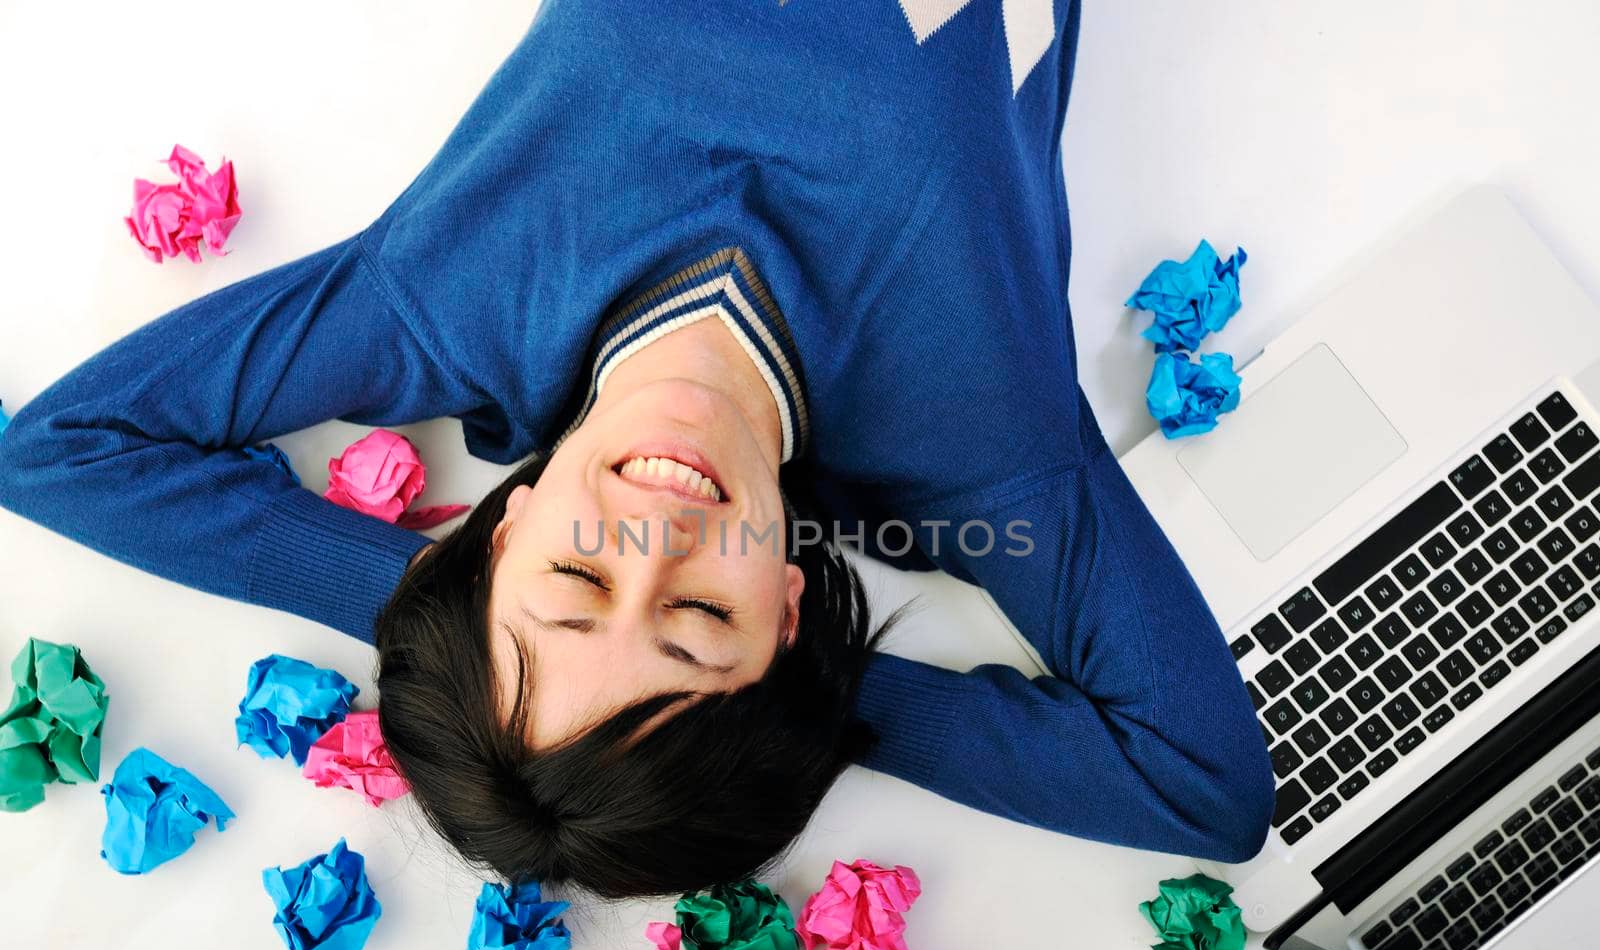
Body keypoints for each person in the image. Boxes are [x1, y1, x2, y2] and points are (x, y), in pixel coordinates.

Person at [0, 0, 1274, 898]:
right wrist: (795, 706)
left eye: (574, 581)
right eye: (694, 622)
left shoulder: (453, 298)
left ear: (502, 528)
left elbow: (56, 452)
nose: (656, 537)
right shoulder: (978, 439)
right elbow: (1201, 785)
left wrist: (438, 625)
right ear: (786, 613)